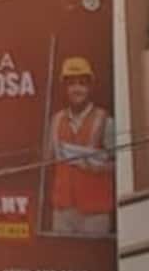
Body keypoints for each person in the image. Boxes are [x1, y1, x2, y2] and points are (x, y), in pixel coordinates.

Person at [47, 56, 115, 237]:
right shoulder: (55, 121)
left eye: (82, 83)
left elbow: (120, 164)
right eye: (71, 84)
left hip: (94, 213)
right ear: (65, 88)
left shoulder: (105, 122)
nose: (77, 89)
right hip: (62, 212)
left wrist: (95, 166)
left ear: (90, 87)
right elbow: (48, 161)